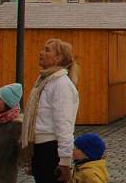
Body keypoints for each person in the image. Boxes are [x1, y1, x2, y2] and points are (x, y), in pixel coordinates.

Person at [21, 38, 80, 183]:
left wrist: (65, 161)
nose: (41, 53)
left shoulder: (61, 84)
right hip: (40, 148)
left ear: (58, 58)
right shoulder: (45, 80)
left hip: (50, 150)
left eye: (47, 50)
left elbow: (64, 124)